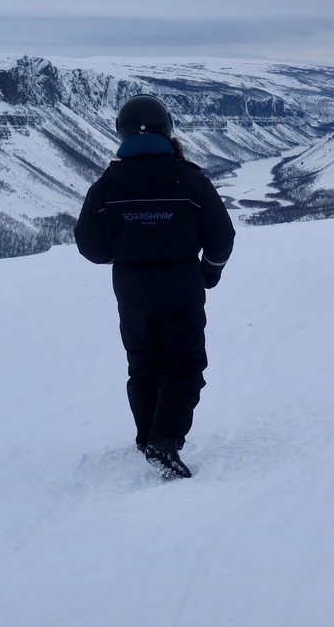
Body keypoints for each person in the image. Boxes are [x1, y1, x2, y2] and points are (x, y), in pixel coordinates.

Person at [74, 94, 236, 480]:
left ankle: (147, 436)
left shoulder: (107, 185)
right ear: (167, 130)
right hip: (181, 280)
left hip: (131, 286)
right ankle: (165, 439)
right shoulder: (188, 179)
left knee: (143, 361)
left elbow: (89, 243)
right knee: (184, 362)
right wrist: (208, 273)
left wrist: (120, 253)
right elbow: (222, 235)